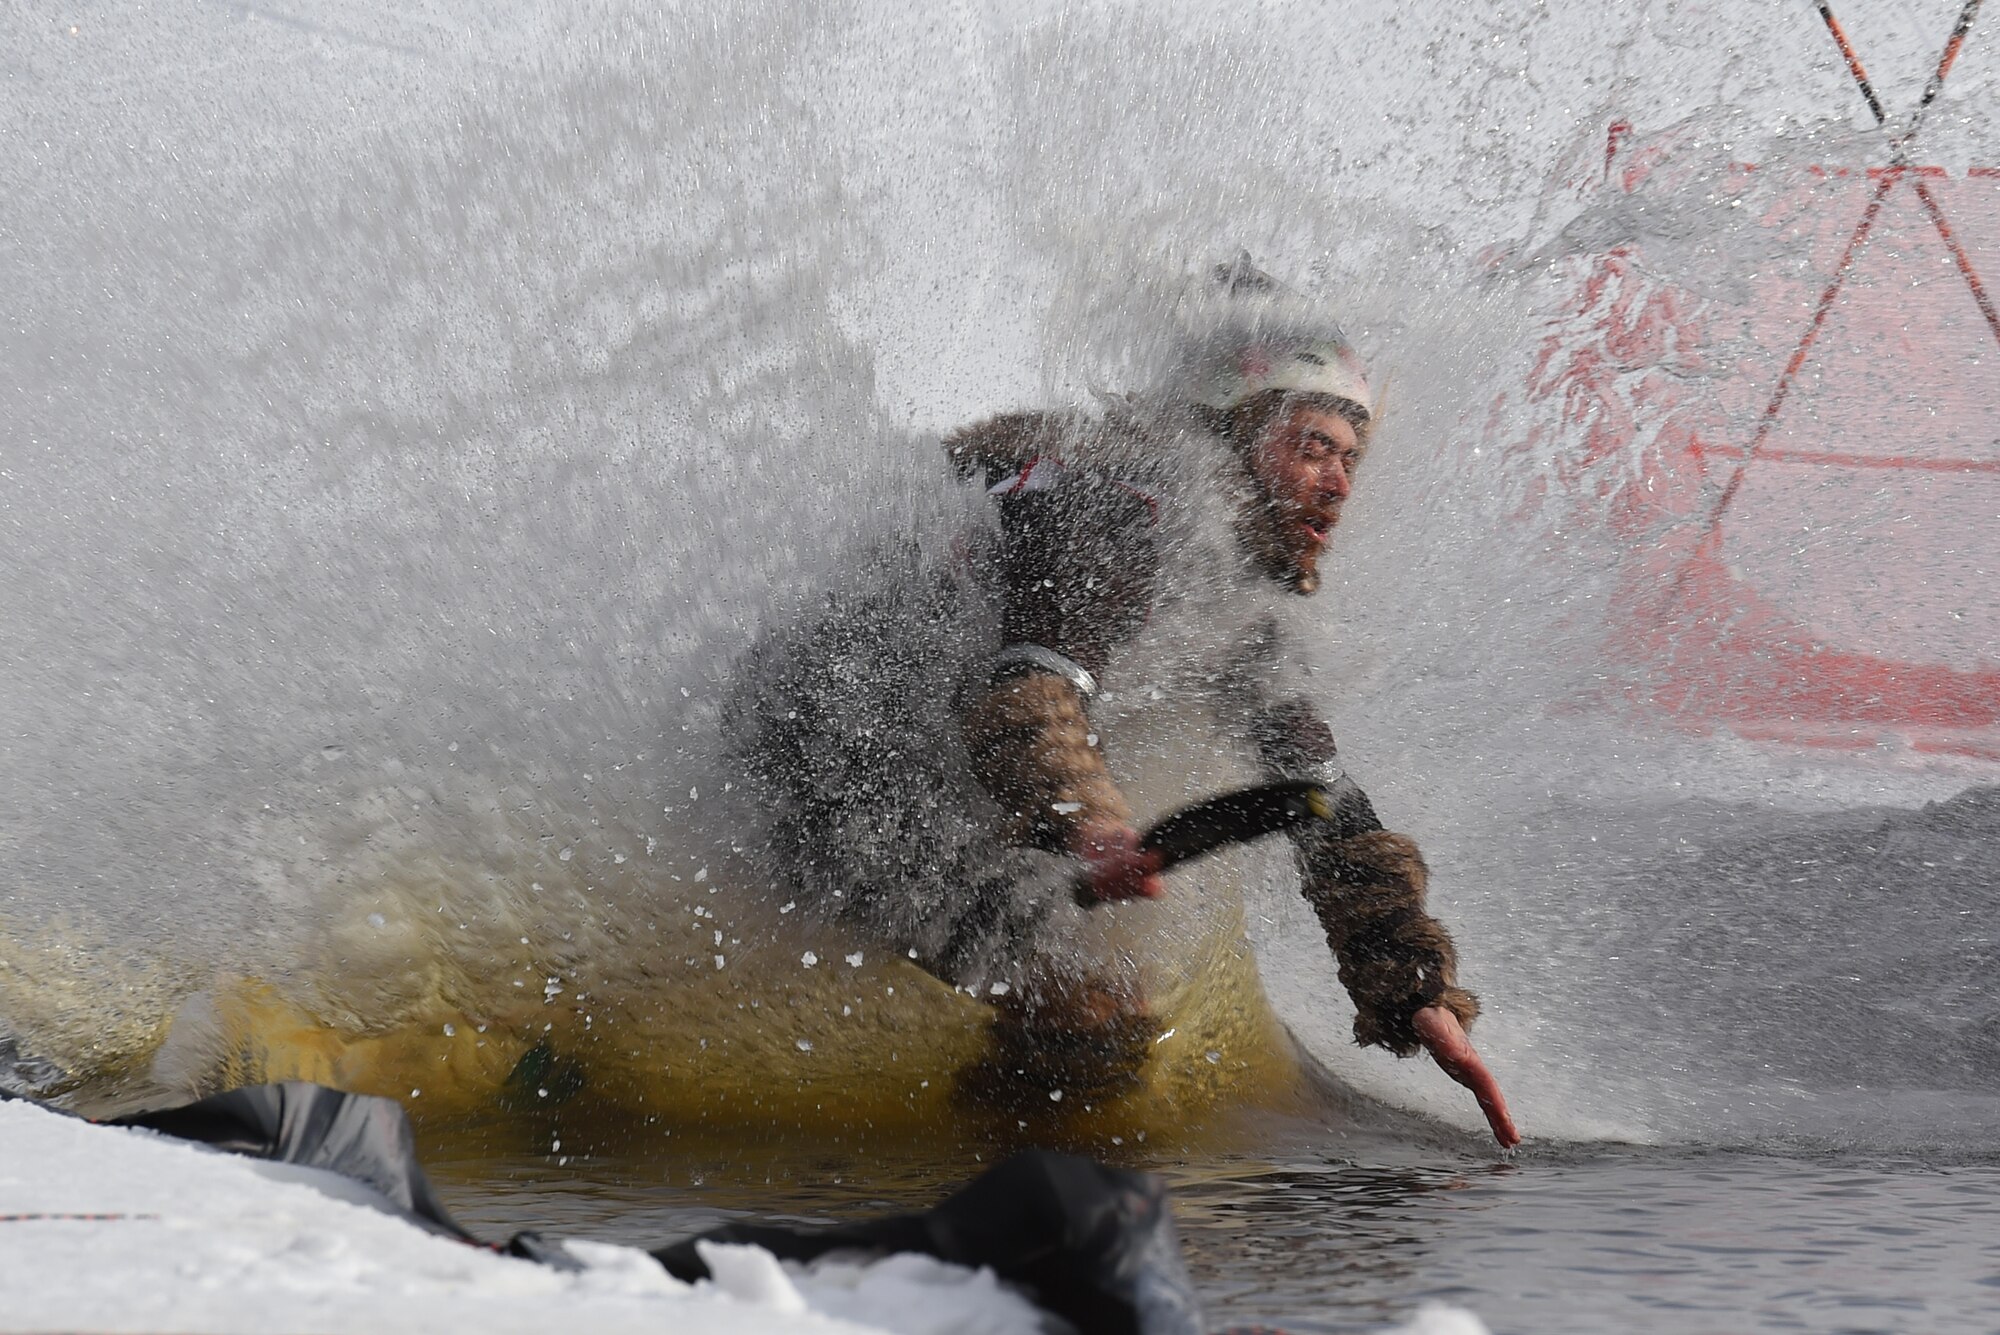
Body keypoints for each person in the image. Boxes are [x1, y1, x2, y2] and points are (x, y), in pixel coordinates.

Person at [732, 261, 1518, 1147]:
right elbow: (1026, 697)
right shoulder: (1119, 507)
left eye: (1349, 456)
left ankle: (983, 1192)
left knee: (1085, 1002)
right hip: (824, 760)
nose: (1338, 485)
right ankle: (970, 1229)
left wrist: (1412, 990)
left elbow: (1319, 793)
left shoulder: (1231, 580)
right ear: (1233, 431)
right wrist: (1093, 824)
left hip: (916, 763)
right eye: (1312, 446)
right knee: (1090, 1014)